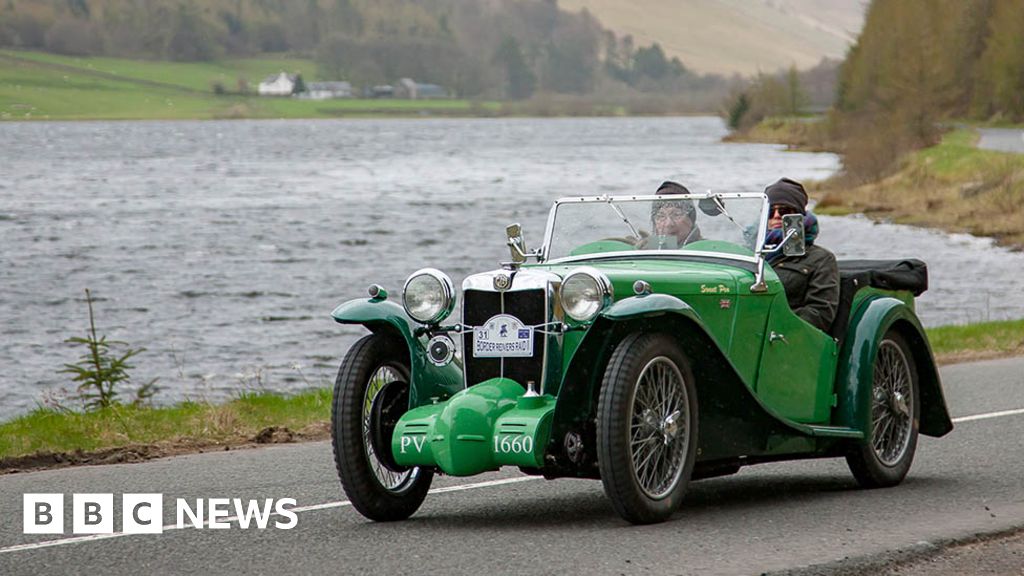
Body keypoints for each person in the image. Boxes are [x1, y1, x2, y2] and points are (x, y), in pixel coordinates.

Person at [764, 178, 839, 332]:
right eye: (770, 212)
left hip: (785, 336)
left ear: (798, 215)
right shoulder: (750, 252)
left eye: (784, 211)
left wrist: (773, 324)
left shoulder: (821, 259)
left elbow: (820, 313)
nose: (776, 216)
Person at [644, 180, 702, 248]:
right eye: (661, 216)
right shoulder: (647, 249)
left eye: (676, 215)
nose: (668, 224)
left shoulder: (706, 251)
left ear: (691, 219)